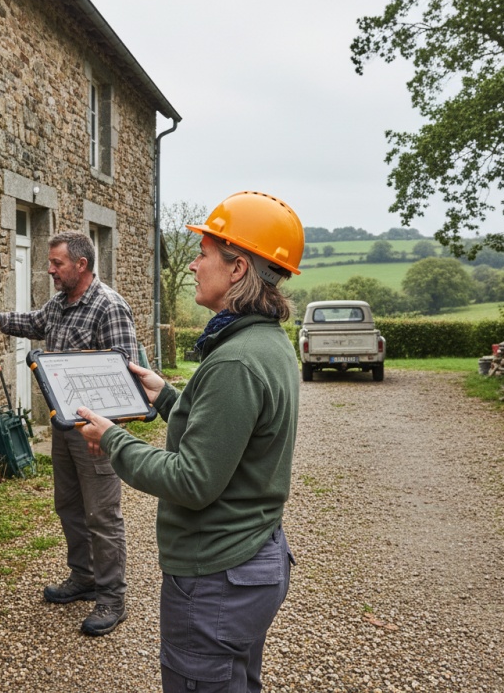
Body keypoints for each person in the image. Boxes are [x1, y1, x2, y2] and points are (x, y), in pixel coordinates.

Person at [75, 191, 304, 691]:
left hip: (217, 577)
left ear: (238, 268)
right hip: (251, 558)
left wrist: (113, 439)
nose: (193, 266)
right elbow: (231, 432)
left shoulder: (236, 360)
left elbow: (194, 480)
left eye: (203, 254)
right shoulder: (266, 343)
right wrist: (167, 396)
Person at [0, 230, 137, 637]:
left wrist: (106, 432)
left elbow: (125, 378)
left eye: (57, 263)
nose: (50, 270)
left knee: (103, 516)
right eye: (50, 262)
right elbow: (33, 323)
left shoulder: (109, 307)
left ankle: (112, 597)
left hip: (96, 433)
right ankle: (84, 577)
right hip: (64, 428)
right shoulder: (58, 304)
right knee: (69, 506)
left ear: (81, 265)